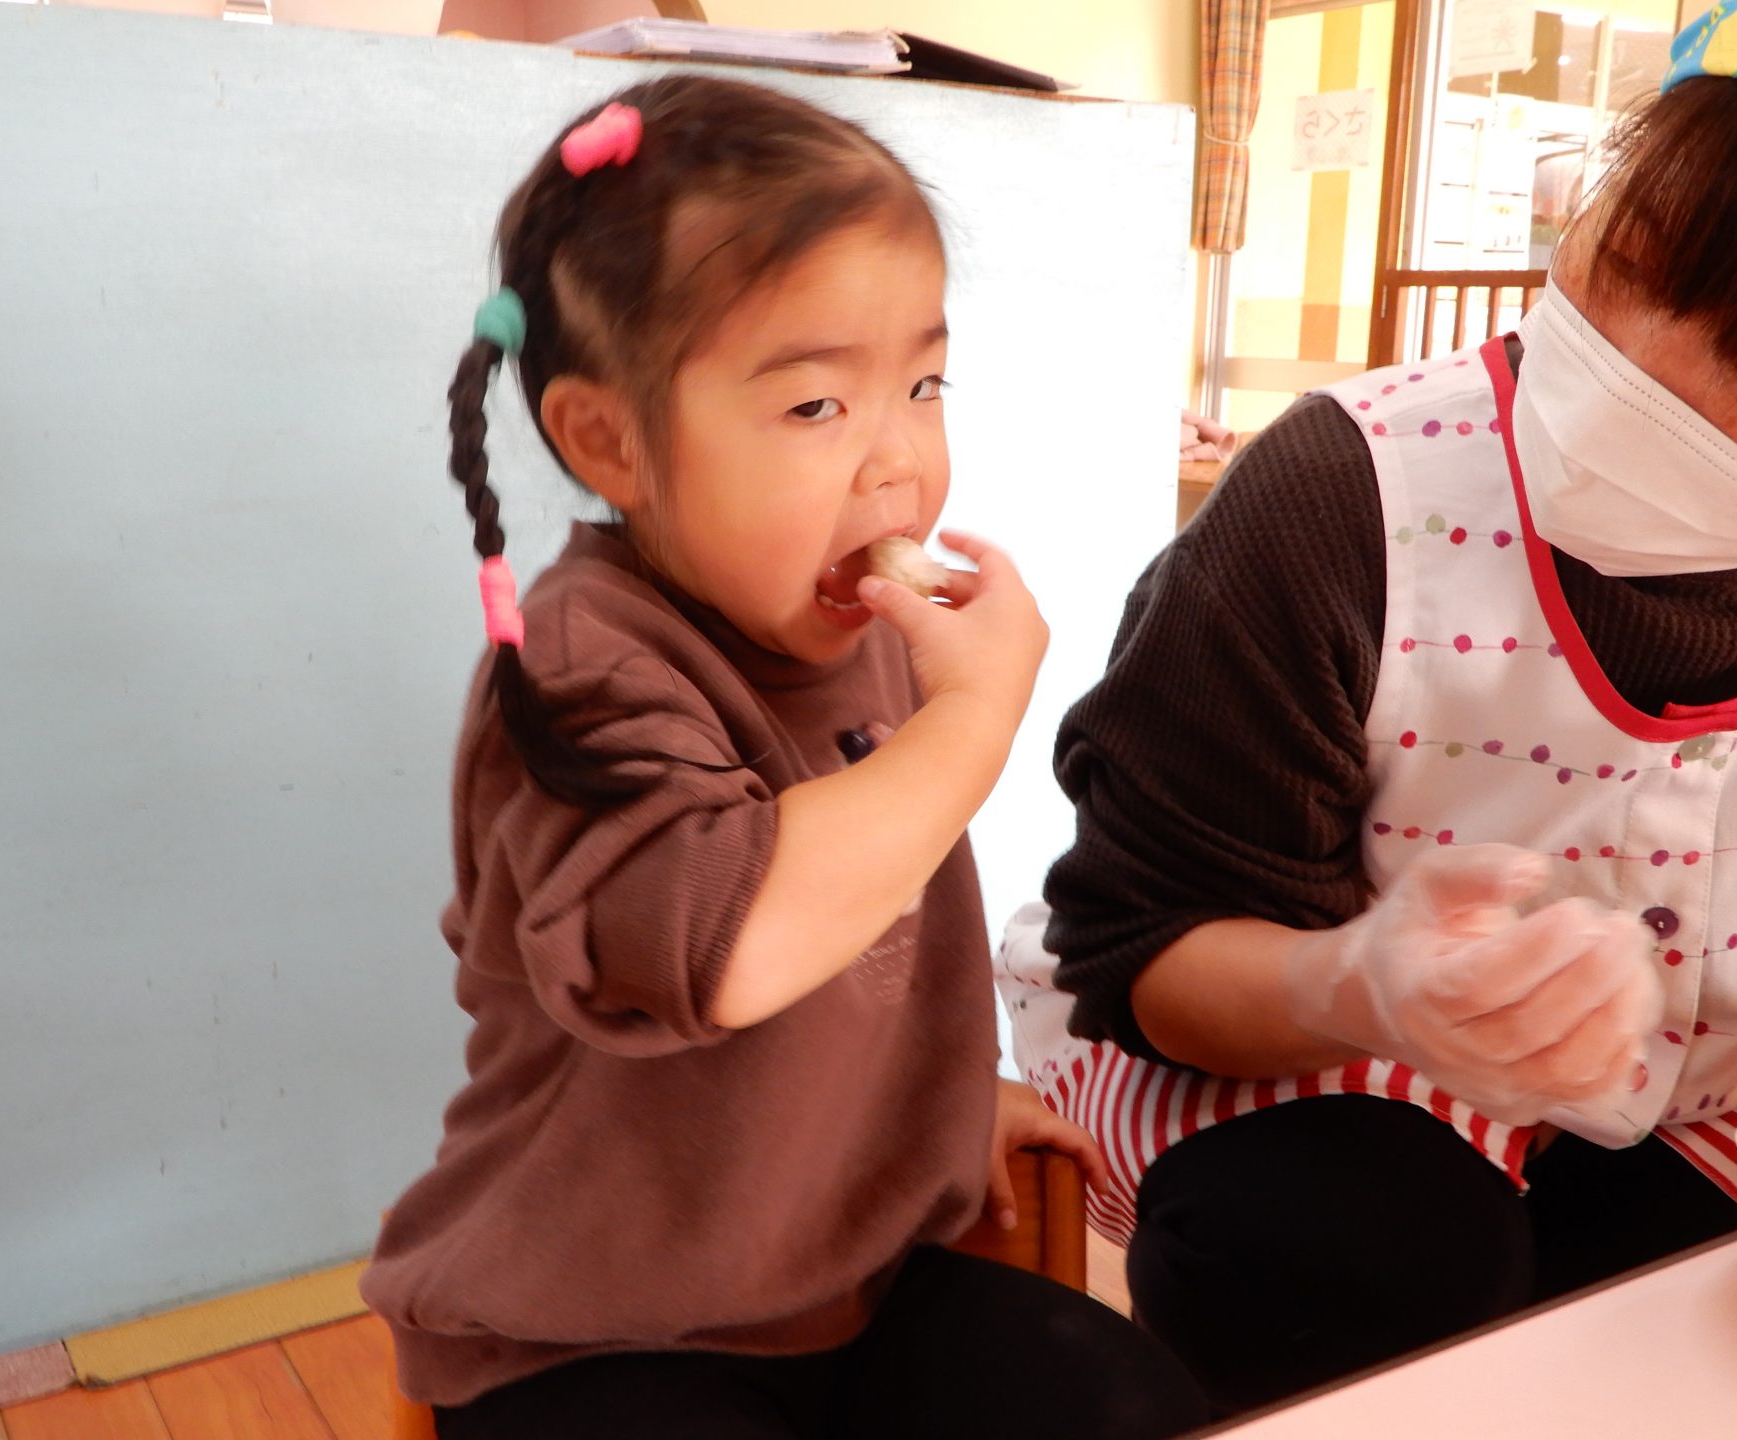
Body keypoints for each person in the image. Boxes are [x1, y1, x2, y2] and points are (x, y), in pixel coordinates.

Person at [358, 75, 1207, 1440]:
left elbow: (875, 947)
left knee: (1135, 1403)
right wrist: (973, 724)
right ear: (610, 442)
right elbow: (730, 946)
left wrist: (945, 1105)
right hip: (589, 1326)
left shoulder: (864, 637)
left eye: (923, 385)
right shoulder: (578, 665)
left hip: (852, 1283)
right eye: (817, 407)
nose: (898, 464)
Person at [999, 3, 1737, 1416]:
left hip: (1701, 1097)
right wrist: (1365, 982)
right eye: (1632, 257)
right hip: (1300, 1060)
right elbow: (1146, 944)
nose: (1641, 362)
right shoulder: (1341, 501)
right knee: (1360, 1249)